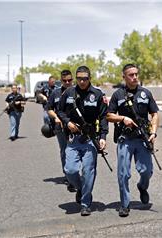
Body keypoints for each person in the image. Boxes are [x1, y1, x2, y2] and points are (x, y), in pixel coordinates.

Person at [106, 63, 159, 217]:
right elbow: (109, 115)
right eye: (131, 75)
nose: (134, 77)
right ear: (124, 77)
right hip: (125, 139)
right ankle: (125, 204)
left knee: (146, 171)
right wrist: (123, 118)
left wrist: (153, 133)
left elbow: (154, 114)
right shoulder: (118, 95)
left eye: (136, 74)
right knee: (123, 174)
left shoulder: (146, 93)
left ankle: (142, 187)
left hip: (142, 138)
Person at [58, 66, 108, 216]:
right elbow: (60, 110)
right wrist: (67, 122)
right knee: (70, 170)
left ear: (89, 78)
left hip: (90, 140)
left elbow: (103, 117)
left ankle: (86, 203)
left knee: (88, 171)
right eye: (79, 78)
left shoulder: (97, 94)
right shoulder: (68, 93)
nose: (82, 81)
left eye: (85, 78)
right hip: (73, 139)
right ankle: (81, 188)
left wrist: (103, 137)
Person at [46, 70, 75, 192]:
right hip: (60, 127)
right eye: (65, 81)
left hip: (74, 127)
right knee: (65, 150)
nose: (67, 82)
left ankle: (74, 174)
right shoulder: (55, 93)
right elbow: (49, 108)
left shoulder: (76, 91)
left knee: (75, 151)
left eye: (69, 80)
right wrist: (56, 117)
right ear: (61, 80)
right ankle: (68, 176)